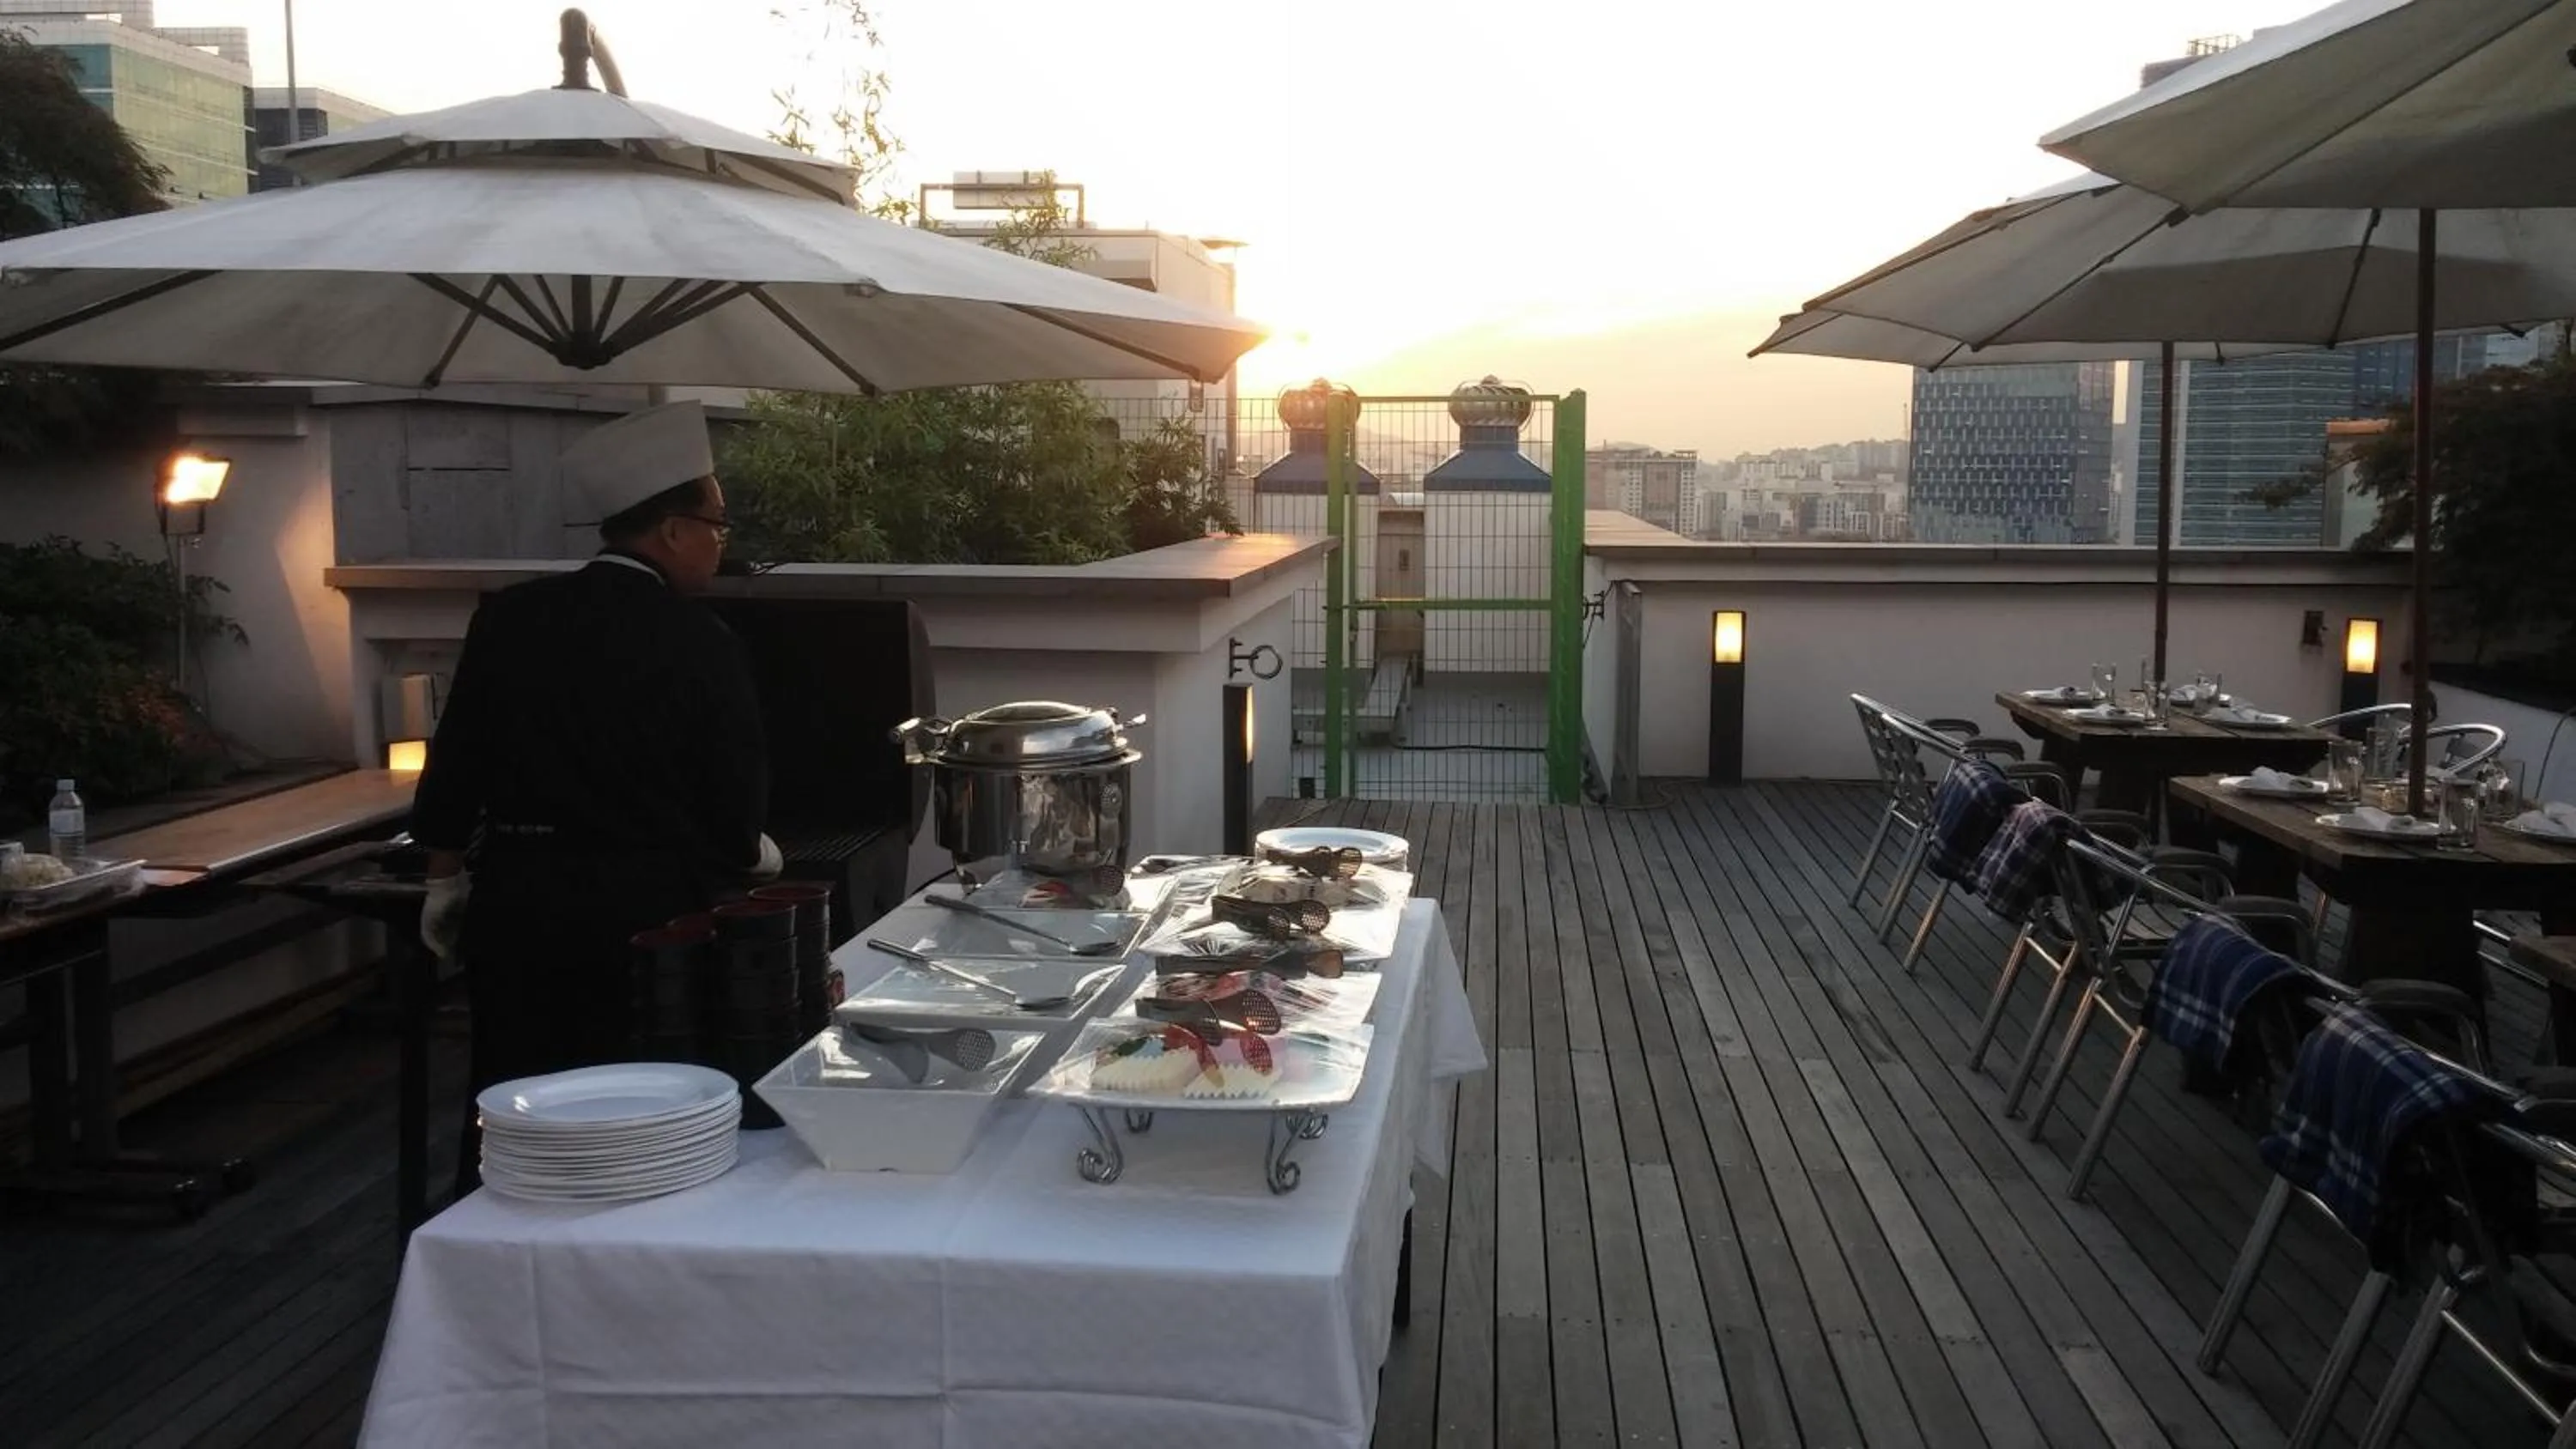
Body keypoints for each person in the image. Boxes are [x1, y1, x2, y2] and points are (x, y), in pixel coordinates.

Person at [412, 400, 778, 1188]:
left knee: (516, 1096)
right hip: (650, 915)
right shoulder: (698, 639)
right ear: (673, 530)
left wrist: (444, 876)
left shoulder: (510, 618)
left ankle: (492, 1245)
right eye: (717, 523)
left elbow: (458, 758)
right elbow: (733, 797)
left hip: (518, 900)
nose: (721, 540)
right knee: (641, 1104)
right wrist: (751, 853)